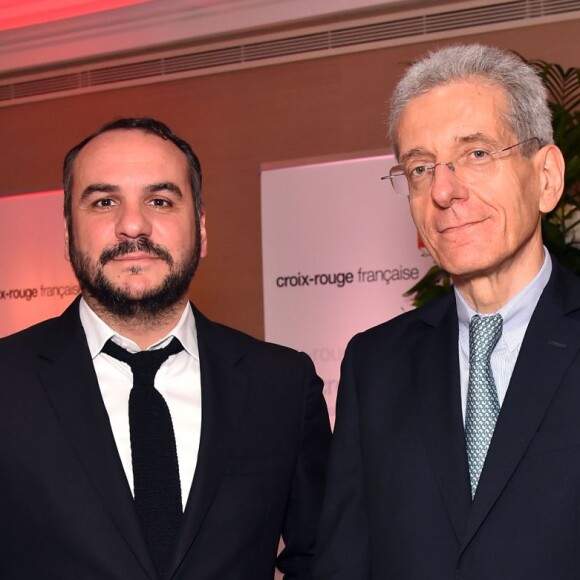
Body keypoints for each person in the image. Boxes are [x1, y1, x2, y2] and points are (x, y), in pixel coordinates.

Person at [0, 117, 331, 580]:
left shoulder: (282, 385)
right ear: (67, 234)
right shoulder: (8, 384)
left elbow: (323, 558)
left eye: (159, 200)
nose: (132, 224)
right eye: (104, 201)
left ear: (201, 229)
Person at [314, 44, 577, 579]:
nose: (442, 190)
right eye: (419, 168)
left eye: (477, 154)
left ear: (546, 176)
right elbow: (345, 560)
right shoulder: (375, 364)